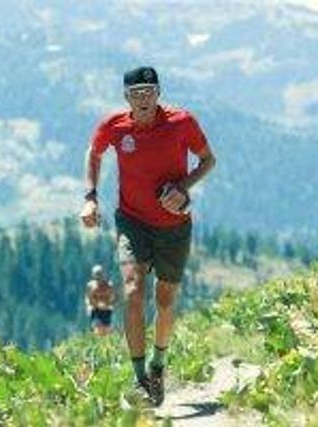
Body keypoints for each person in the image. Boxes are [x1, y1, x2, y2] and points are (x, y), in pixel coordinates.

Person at [79, 66, 216, 407]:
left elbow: (207, 160)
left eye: (148, 92)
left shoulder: (181, 122)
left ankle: (158, 365)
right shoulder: (114, 126)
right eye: (135, 93)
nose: (142, 99)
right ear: (126, 97)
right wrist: (90, 196)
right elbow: (94, 153)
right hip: (132, 222)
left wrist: (182, 187)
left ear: (158, 93)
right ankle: (140, 378)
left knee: (166, 299)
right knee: (132, 291)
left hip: (174, 225)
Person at [85, 264, 116, 336]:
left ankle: (107, 343)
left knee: (106, 331)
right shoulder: (90, 286)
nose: (98, 278)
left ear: (103, 275)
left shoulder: (109, 286)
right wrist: (89, 305)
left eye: (100, 275)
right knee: (97, 330)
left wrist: (108, 304)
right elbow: (87, 297)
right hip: (95, 310)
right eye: (96, 275)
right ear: (93, 276)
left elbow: (114, 298)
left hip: (106, 310)